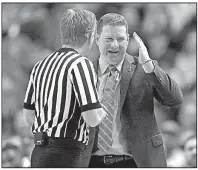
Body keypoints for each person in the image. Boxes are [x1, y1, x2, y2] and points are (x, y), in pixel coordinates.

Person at [86, 13, 183, 168]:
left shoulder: (144, 68)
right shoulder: (83, 71)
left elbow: (175, 99)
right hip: (92, 162)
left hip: (137, 162)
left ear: (128, 38)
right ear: (97, 39)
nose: (115, 45)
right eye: (109, 39)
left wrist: (150, 66)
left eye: (120, 39)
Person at [23, 8, 107, 168]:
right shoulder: (81, 64)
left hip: (39, 151)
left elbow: (28, 118)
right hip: (66, 154)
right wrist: (102, 110)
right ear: (89, 36)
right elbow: (91, 118)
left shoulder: (40, 65)